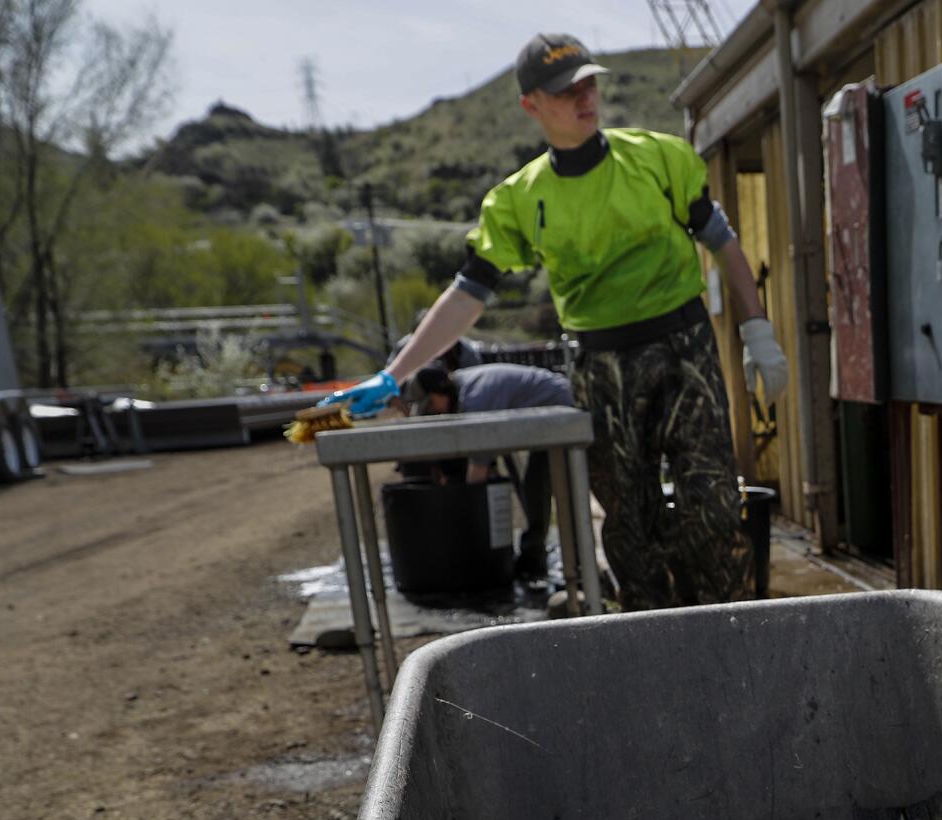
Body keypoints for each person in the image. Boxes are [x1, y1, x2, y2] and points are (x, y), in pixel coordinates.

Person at [317, 33, 787, 610]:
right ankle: (657, 648)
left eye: (588, 83)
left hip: (683, 347)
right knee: (630, 527)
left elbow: (722, 240)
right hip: (602, 364)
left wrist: (756, 330)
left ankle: (738, 638)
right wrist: (394, 375)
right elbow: (467, 296)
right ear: (532, 105)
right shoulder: (520, 200)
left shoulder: (657, 158)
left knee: (712, 506)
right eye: (565, 90)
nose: (584, 97)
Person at [410, 362, 574, 581]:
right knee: (532, 486)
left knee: (547, 489)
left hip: (562, 410)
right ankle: (535, 555)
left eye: (430, 403)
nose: (432, 410)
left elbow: (478, 472)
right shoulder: (462, 386)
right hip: (534, 419)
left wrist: (463, 528)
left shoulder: (477, 399)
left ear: (441, 391)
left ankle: (569, 565)